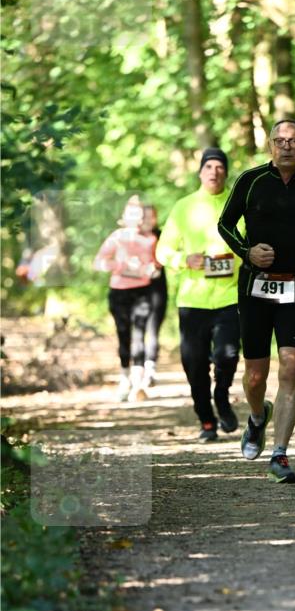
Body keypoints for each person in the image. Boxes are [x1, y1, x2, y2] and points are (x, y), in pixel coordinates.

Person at [218, 119, 295, 484]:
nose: (287, 146)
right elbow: (225, 224)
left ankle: (280, 454)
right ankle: (256, 417)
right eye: (281, 140)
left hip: (294, 285)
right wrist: (246, 252)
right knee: (254, 375)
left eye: (294, 141)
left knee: (291, 365)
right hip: (255, 287)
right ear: (270, 144)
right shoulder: (250, 181)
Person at [156, 147, 241, 441]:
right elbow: (163, 250)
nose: (214, 172)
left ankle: (222, 396)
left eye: (220, 167)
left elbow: (255, 244)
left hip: (231, 296)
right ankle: (206, 421)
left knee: (227, 355)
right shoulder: (184, 207)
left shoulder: (237, 204)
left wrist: (238, 256)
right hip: (193, 299)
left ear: (226, 172)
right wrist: (184, 260)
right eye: (209, 167)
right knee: (194, 364)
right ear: (200, 172)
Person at [93, 194, 159, 402]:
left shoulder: (150, 239)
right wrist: (121, 266)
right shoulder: (116, 237)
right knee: (124, 335)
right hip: (119, 292)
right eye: (131, 213)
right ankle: (124, 379)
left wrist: (151, 269)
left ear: (142, 217)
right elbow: (99, 262)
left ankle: (138, 385)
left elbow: (157, 265)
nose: (135, 217)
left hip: (142, 292)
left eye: (139, 213)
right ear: (124, 215)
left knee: (139, 335)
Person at [142, 205, 167, 389]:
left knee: (152, 330)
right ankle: (135, 368)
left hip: (157, 291)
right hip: (134, 292)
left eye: (152, 216)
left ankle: (150, 369)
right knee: (136, 331)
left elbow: (167, 254)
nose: (149, 220)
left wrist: (157, 264)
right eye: (145, 217)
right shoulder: (131, 236)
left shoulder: (162, 235)